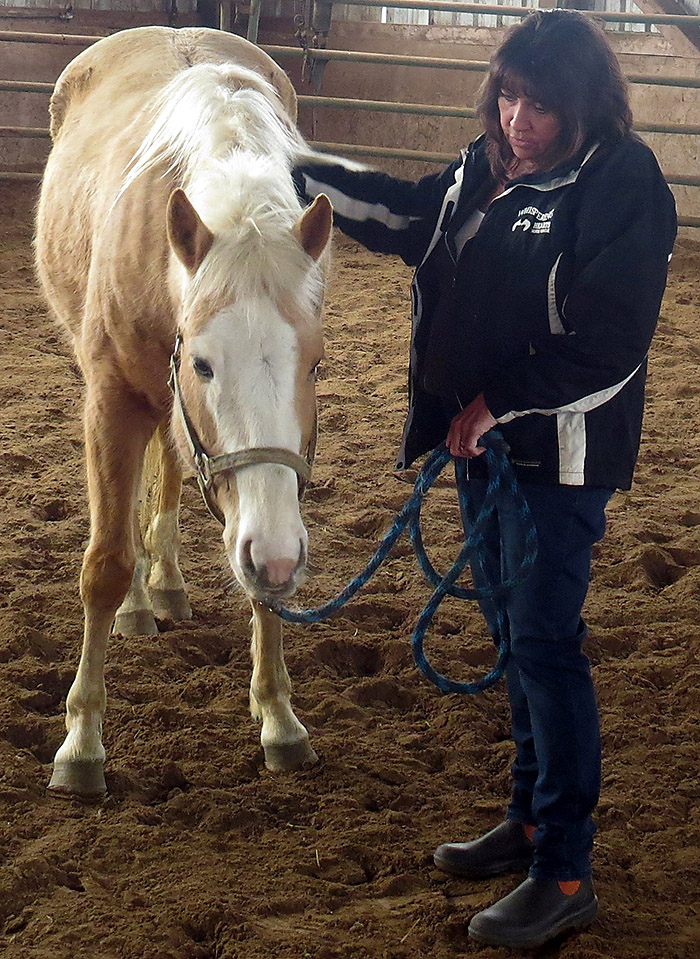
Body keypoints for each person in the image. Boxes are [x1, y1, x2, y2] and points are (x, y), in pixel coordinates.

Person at [292, 9, 677, 950]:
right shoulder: (482, 168)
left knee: (546, 642)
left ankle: (567, 867)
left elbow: (613, 344)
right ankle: (530, 817)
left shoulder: (622, 183)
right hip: (484, 452)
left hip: (558, 456)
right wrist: (294, 169)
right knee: (512, 632)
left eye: (540, 105)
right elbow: (406, 214)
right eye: (508, 96)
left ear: (583, 105)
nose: (518, 120)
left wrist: (495, 402)